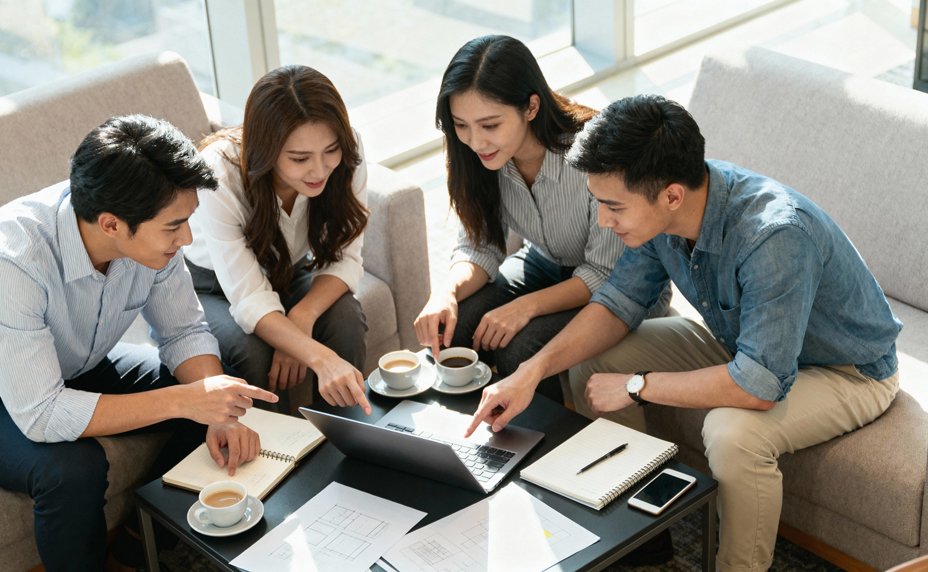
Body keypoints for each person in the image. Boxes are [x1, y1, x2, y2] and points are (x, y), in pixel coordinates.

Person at [465, 94, 902, 571]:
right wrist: (530, 372)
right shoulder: (665, 211)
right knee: (595, 361)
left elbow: (758, 385)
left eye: (613, 207)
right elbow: (618, 301)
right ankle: (637, 539)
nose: (604, 221)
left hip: (846, 371)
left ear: (671, 196)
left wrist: (638, 386)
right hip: (738, 342)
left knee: (732, 432)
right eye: (598, 203)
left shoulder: (774, 235)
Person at [0, 115, 279, 571]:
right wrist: (188, 400)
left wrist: (215, 407)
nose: (187, 239)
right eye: (174, 227)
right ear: (111, 224)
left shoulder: (148, 234)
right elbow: (43, 414)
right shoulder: (7, 261)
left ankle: (138, 548)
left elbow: (184, 332)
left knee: (221, 387)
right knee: (73, 469)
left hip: (78, 366)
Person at [413, 35, 670, 404]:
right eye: (461, 125)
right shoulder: (479, 157)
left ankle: (546, 437)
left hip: (619, 286)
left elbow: (604, 273)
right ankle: (458, 431)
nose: (475, 141)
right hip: (545, 264)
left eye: (490, 125)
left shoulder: (595, 153)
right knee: (456, 325)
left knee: (521, 348)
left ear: (531, 107)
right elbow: (479, 246)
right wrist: (446, 293)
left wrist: (524, 307)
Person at [185, 64, 371, 415]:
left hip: (287, 271)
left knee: (346, 320)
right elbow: (250, 298)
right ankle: (283, 447)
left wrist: (301, 317)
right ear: (265, 150)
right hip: (211, 286)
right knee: (253, 352)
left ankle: (344, 437)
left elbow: (346, 258)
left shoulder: (348, 153)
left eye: (330, 150)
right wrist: (315, 355)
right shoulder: (218, 174)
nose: (320, 170)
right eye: (300, 158)